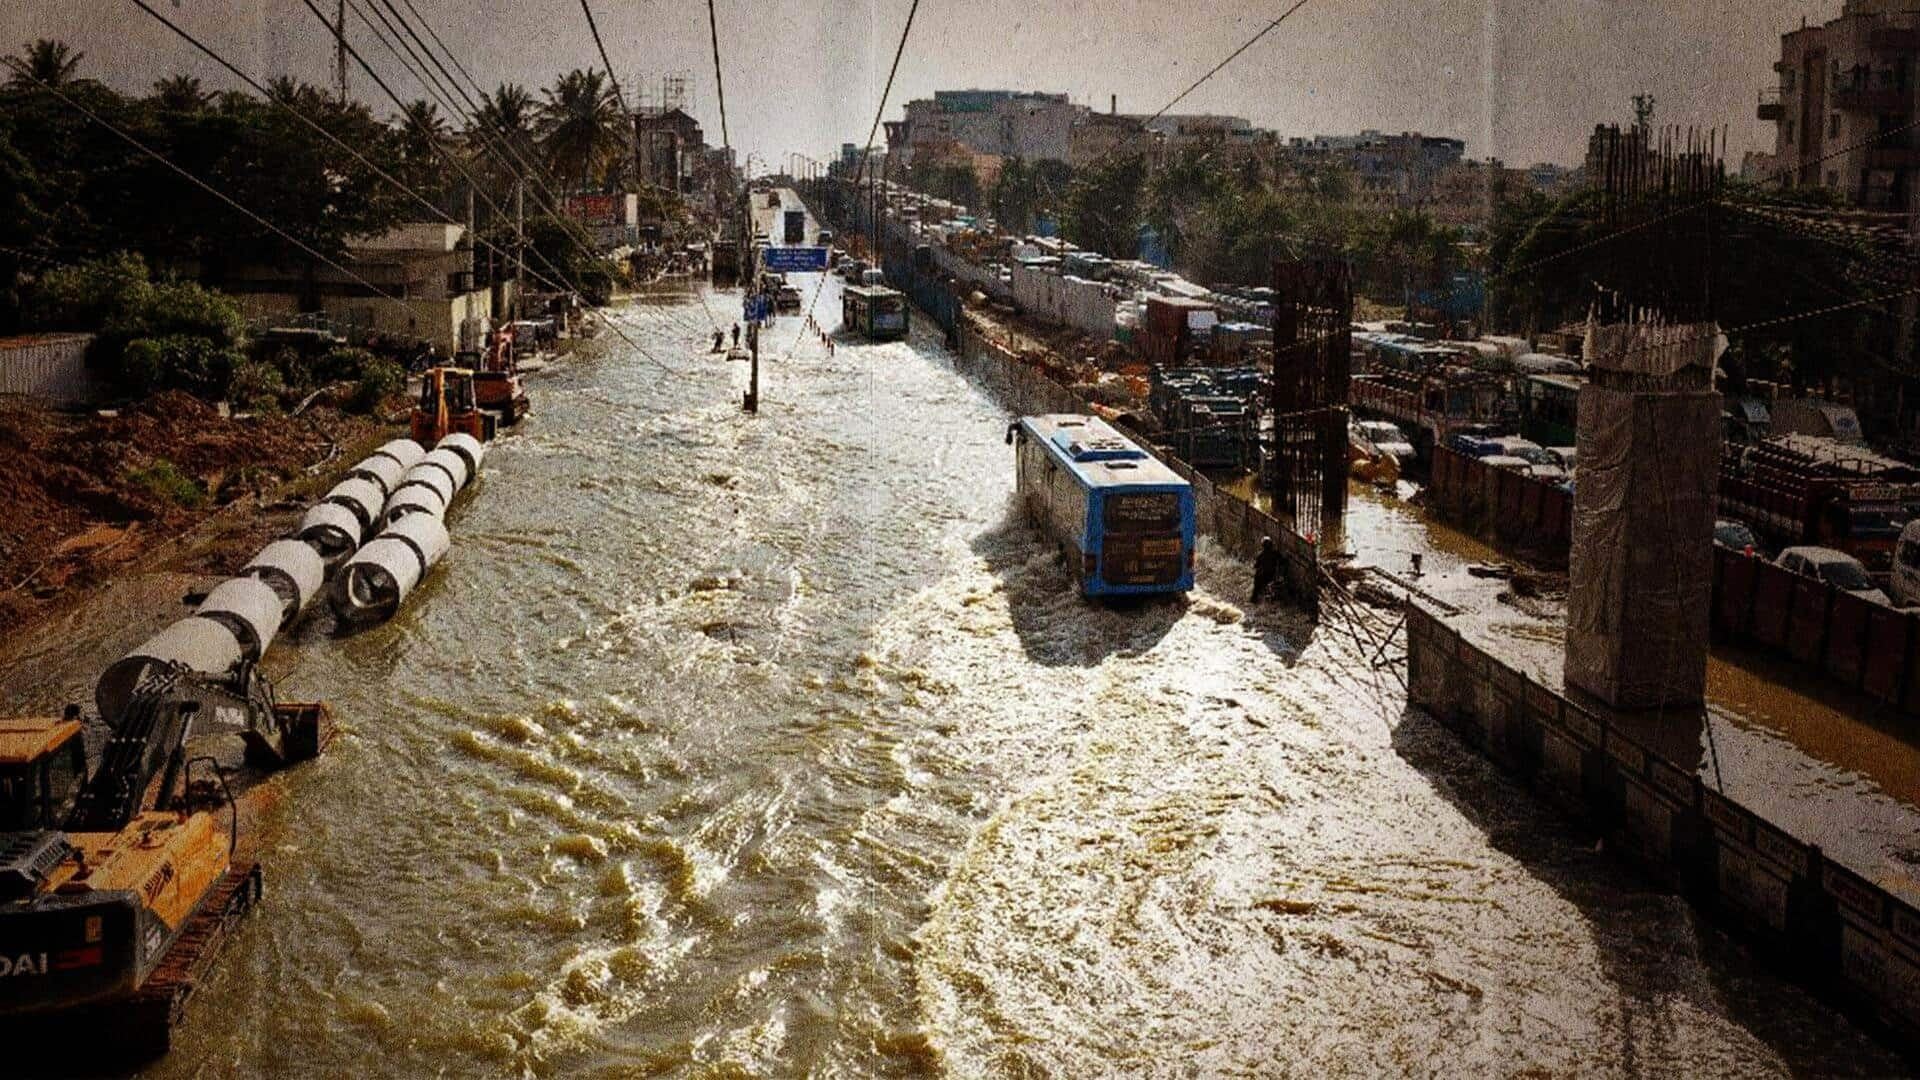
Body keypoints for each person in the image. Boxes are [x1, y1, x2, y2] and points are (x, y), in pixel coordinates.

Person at [1251, 536, 1279, 604]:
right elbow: (1282, 561)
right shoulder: (1275, 554)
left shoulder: (1260, 555)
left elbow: (1256, 565)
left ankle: (1254, 598)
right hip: (1272, 575)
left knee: (1257, 581)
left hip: (1263, 576)